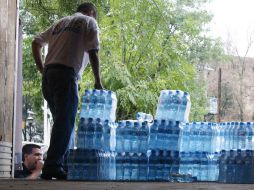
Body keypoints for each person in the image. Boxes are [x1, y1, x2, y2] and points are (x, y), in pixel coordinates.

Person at [32, 2, 103, 180]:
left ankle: (62, 164)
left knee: (63, 123)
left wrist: (43, 69)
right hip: (65, 75)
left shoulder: (60, 23)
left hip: (49, 75)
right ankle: (53, 166)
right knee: (65, 122)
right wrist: (98, 81)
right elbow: (93, 52)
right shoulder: (89, 22)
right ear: (91, 13)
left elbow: (36, 42)